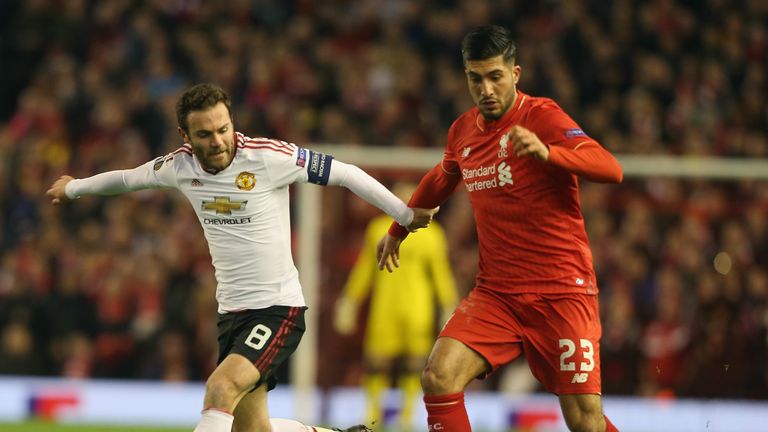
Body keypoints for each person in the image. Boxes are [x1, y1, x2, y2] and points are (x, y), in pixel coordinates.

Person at [46, 83, 436, 432]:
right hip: (232, 313)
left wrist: (403, 215)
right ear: (186, 135)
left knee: (220, 387)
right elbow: (129, 179)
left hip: (278, 308)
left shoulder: (268, 158)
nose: (218, 141)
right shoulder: (179, 166)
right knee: (251, 429)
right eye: (205, 134)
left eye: (223, 128)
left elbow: (345, 173)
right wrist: (75, 187)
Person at [376, 26, 623, 432]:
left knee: (585, 422)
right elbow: (443, 177)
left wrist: (550, 153)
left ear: (516, 73)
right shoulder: (462, 131)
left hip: (561, 291)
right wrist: (398, 228)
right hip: (498, 294)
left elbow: (611, 168)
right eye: (476, 78)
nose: (486, 89)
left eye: (495, 76)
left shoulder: (541, 116)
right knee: (438, 377)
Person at [334, 183, 458, 430]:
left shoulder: (433, 234)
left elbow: (441, 276)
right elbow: (364, 272)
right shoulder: (379, 229)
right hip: (386, 309)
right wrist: (350, 301)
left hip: (417, 310)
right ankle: (373, 417)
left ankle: (406, 419)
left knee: (413, 365)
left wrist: (448, 305)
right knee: (377, 364)